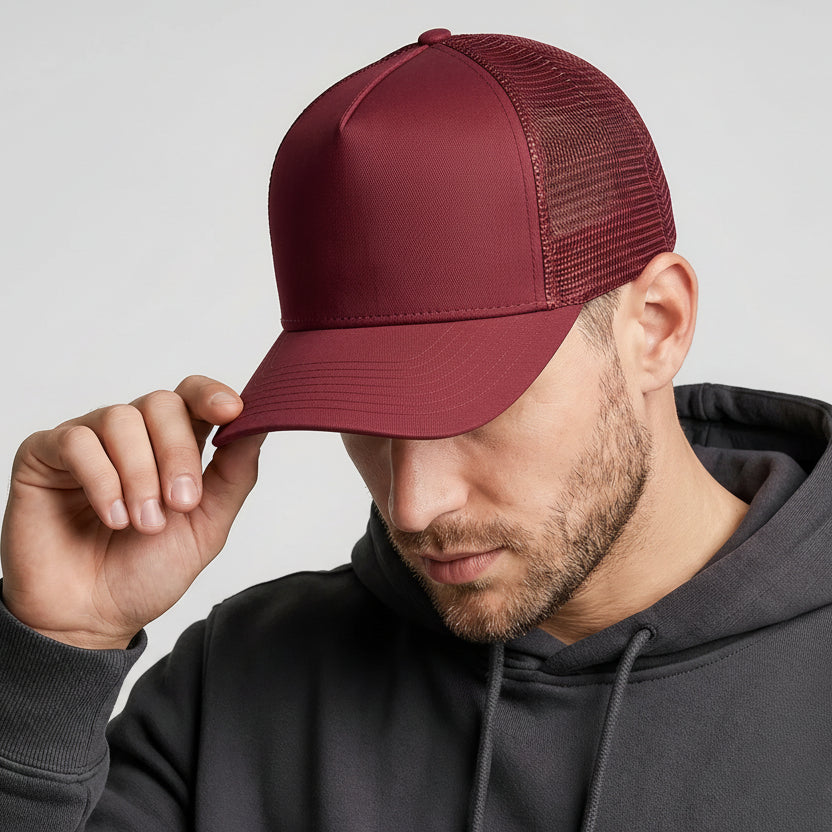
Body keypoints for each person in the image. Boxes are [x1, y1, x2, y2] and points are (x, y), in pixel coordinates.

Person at [0, 27, 830, 832]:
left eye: (475, 403)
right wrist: (54, 656)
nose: (412, 506)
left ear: (656, 325)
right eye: (365, 413)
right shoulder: (236, 689)